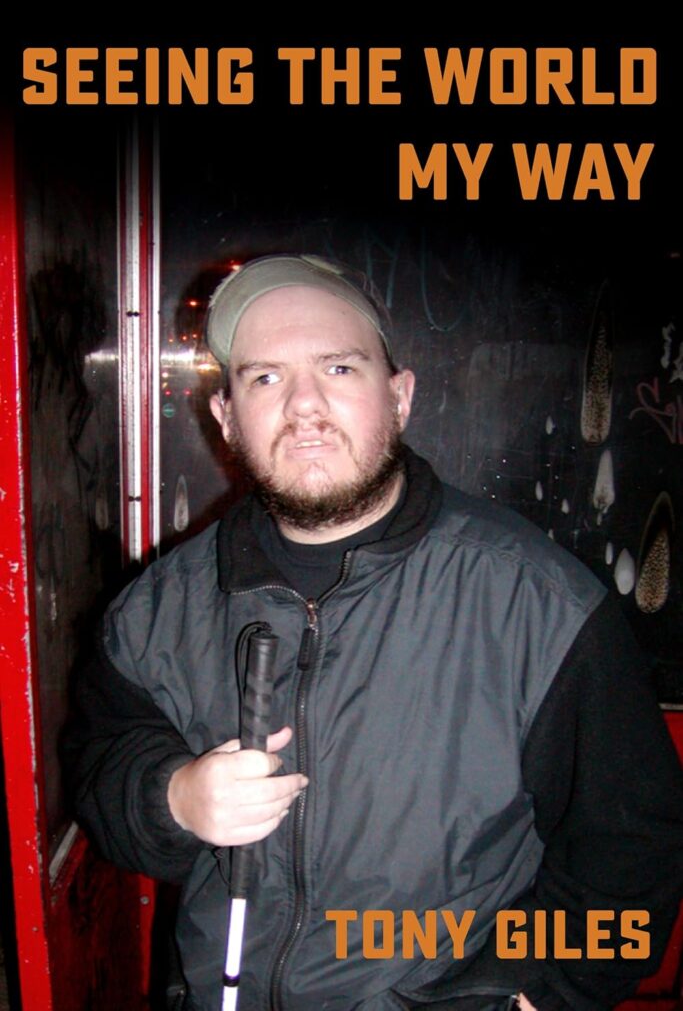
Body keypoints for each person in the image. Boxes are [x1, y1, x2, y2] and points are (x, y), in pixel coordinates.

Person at [65, 254, 683, 1011]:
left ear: (399, 397)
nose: (303, 405)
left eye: (338, 368)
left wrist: (539, 991)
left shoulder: (535, 601)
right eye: (264, 377)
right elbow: (101, 769)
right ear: (224, 416)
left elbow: (631, 851)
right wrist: (173, 798)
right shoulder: (157, 608)